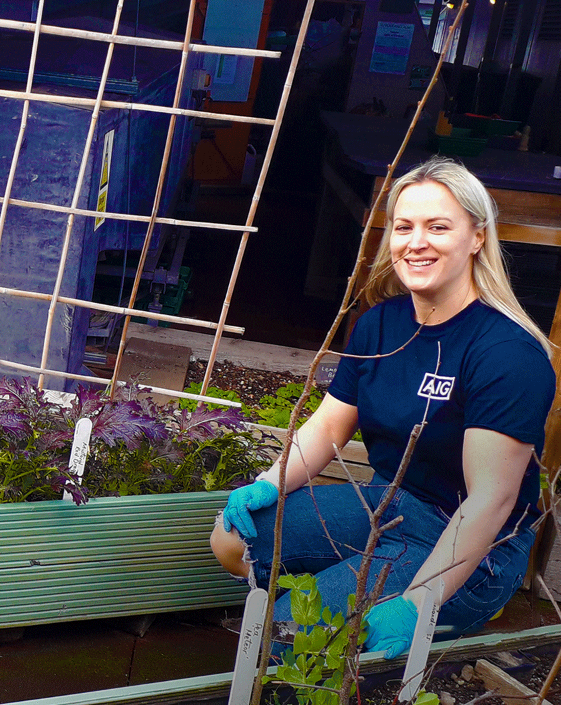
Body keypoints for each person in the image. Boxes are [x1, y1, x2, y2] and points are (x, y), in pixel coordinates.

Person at [210, 156, 556, 658]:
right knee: (231, 537)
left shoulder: (506, 354)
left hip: (471, 542)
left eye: (438, 227)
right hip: (389, 507)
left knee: (282, 642)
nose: (416, 243)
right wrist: (268, 482)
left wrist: (420, 600)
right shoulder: (380, 324)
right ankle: (347, 604)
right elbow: (330, 423)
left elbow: (491, 501)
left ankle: (439, 610)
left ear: (478, 236)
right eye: (404, 227)